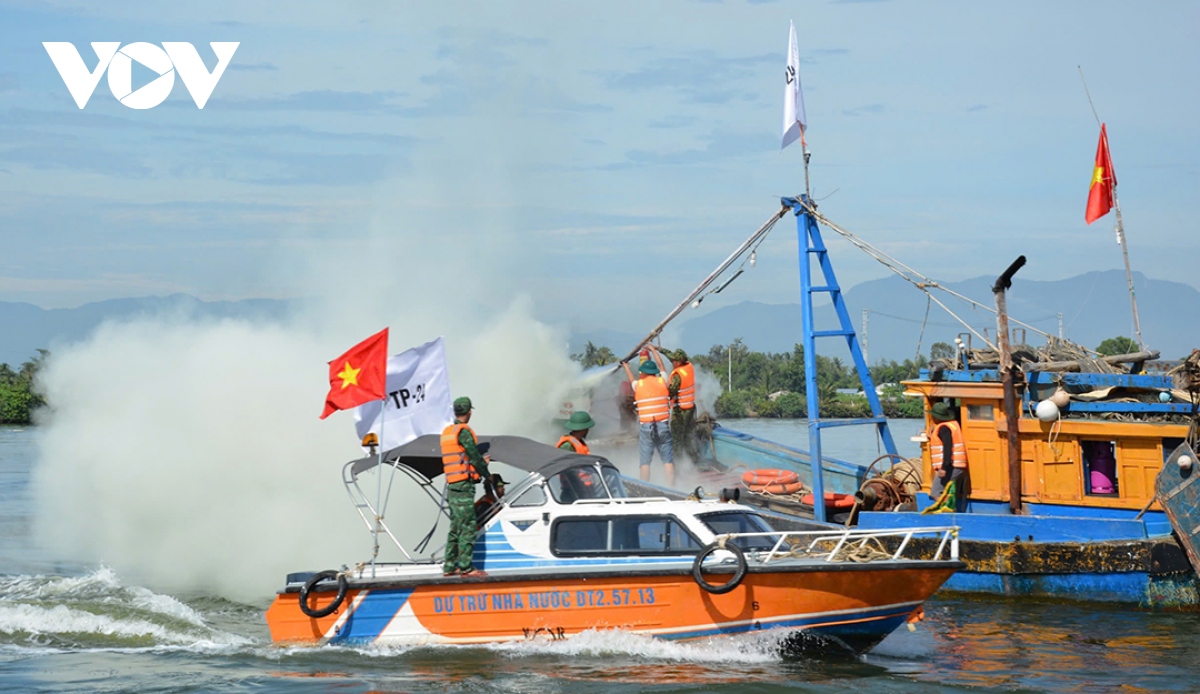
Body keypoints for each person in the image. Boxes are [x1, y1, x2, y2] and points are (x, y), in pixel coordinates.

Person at [441, 396, 491, 577]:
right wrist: (486, 474)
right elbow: (473, 456)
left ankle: (449, 566)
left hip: (452, 485)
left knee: (455, 526)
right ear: (469, 412)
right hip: (463, 486)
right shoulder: (463, 432)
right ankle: (466, 567)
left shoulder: (447, 432)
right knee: (468, 526)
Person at [622, 351, 675, 486]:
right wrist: (653, 350)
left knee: (645, 462)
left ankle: (644, 488)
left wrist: (625, 366)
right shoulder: (663, 381)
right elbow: (662, 365)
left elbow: (631, 378)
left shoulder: (638, 385)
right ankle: (671, 486)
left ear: (644, 373)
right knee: (667, 460)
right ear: (654, 372)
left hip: (647, 427)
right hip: (663, 425)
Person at [928, 401, 968, 513]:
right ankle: (953, 513)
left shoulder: (943, 428)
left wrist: (944, 468)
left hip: (951, 467)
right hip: (958, 466)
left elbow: (947, 447)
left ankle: (951, 514)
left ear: (937, 416)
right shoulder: (952, 425)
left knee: (936, 492)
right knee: (950, 494)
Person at [667, 349, 700, 464]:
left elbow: (671, 392)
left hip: (680, 410)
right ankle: (694, 460)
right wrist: (659, 350)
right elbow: (670, 355)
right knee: (689, 435)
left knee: (677, 437)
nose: (672, 362)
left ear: (679, 362)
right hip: (691, 408)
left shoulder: (677, 376)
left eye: (674, 361)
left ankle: (678, 462)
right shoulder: (689, 366)